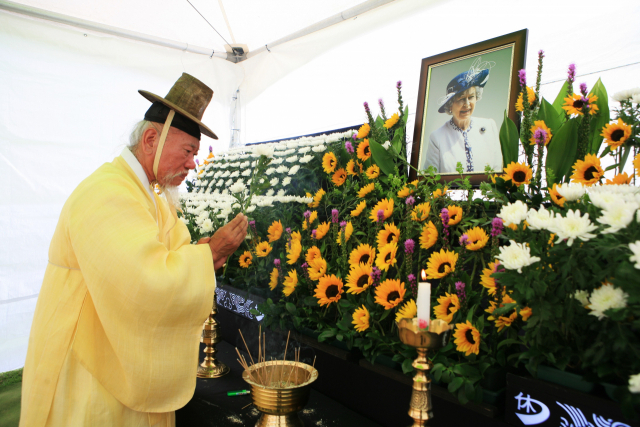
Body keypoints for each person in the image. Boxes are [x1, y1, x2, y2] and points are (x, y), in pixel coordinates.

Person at [19, 73, 248, 427]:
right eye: (188, 152)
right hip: (89, 356)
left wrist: (205, 254)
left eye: (194, 154)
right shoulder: (108, 192)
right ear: (151, 139)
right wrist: (207, 256)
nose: (192, 164)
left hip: (113, 346)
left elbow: (168, 255)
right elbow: (144, 280)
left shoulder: (147, 193)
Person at [423, 60, 502, 174]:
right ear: (450, 104)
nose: (467, 103)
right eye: (461, 99)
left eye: (471, 97)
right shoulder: (437, 138)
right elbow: (430, 179)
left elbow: (497, 170)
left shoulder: (490, 126)